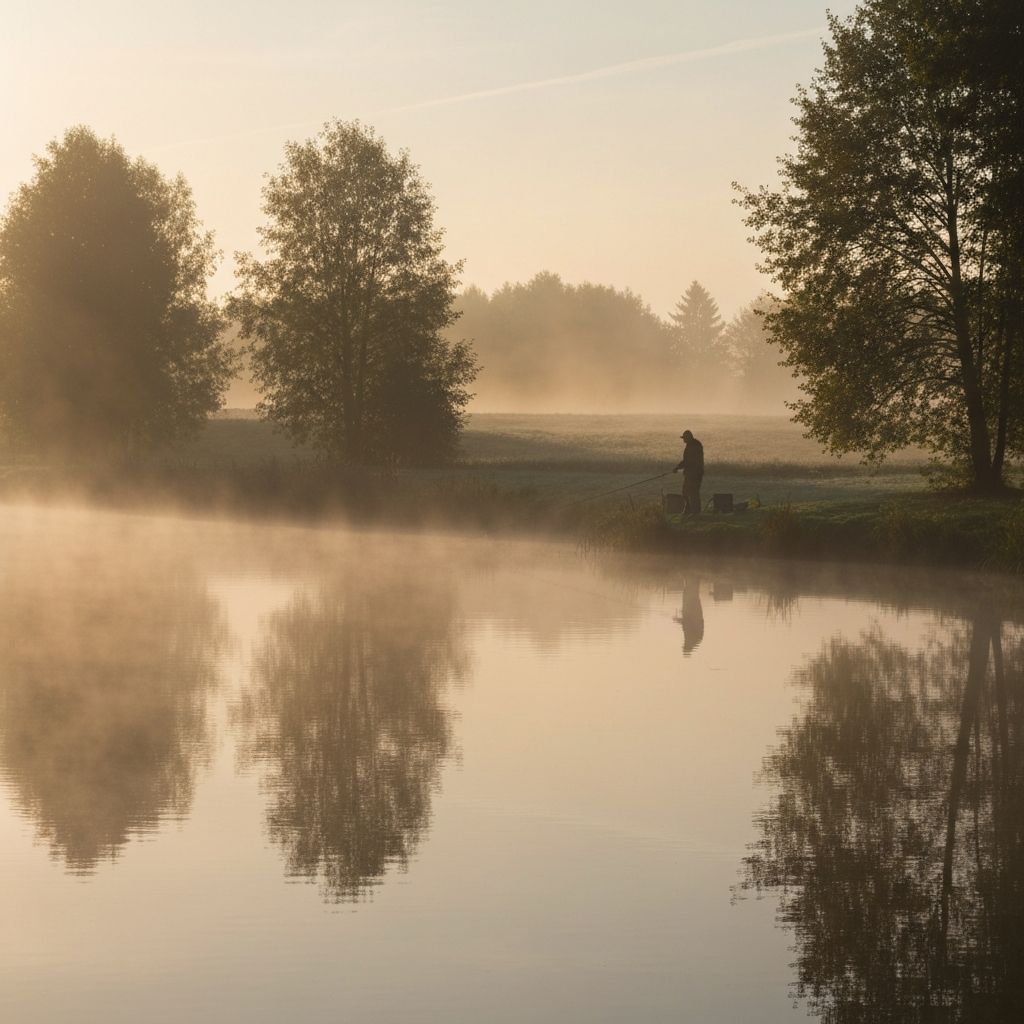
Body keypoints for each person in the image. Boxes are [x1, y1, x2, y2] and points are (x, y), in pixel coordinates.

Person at [673, 429, 704, 514]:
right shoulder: (692, 444)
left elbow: (688, 461)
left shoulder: (693, 446)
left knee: (693, 492)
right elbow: (687, 460)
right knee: (686, 492)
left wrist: (678, 467)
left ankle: (695, 511)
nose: (683, 440)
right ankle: (690, 509)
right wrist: (678, 467)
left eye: (684, 438)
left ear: (688, 437)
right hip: (692, 473)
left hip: (694, 474)